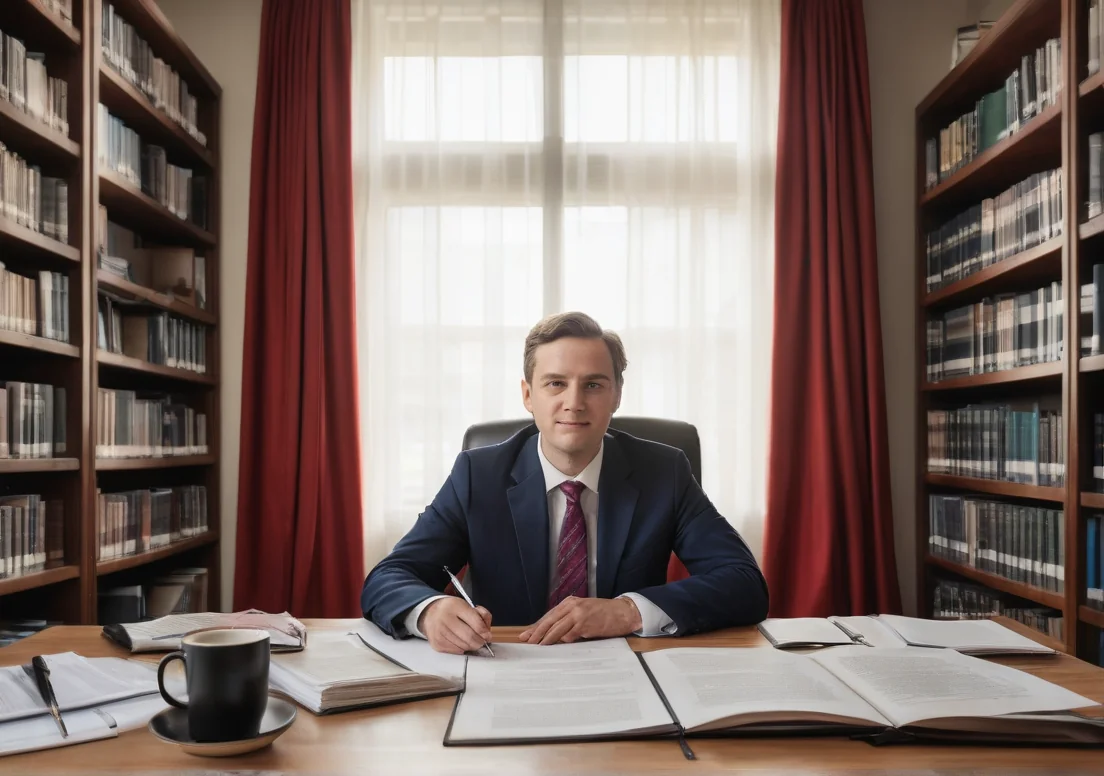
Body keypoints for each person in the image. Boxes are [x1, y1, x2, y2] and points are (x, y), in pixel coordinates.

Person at [360, 311, 769, 654]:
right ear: (527, 395)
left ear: (617, 396)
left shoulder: (664, 472)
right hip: (505, 668)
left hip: (625, 673)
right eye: (556, 383)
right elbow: (388, 578)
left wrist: (627, 611)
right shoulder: (477, 475)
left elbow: (745, 584)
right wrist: (430, 611)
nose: (574, 402)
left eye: (593, 384)